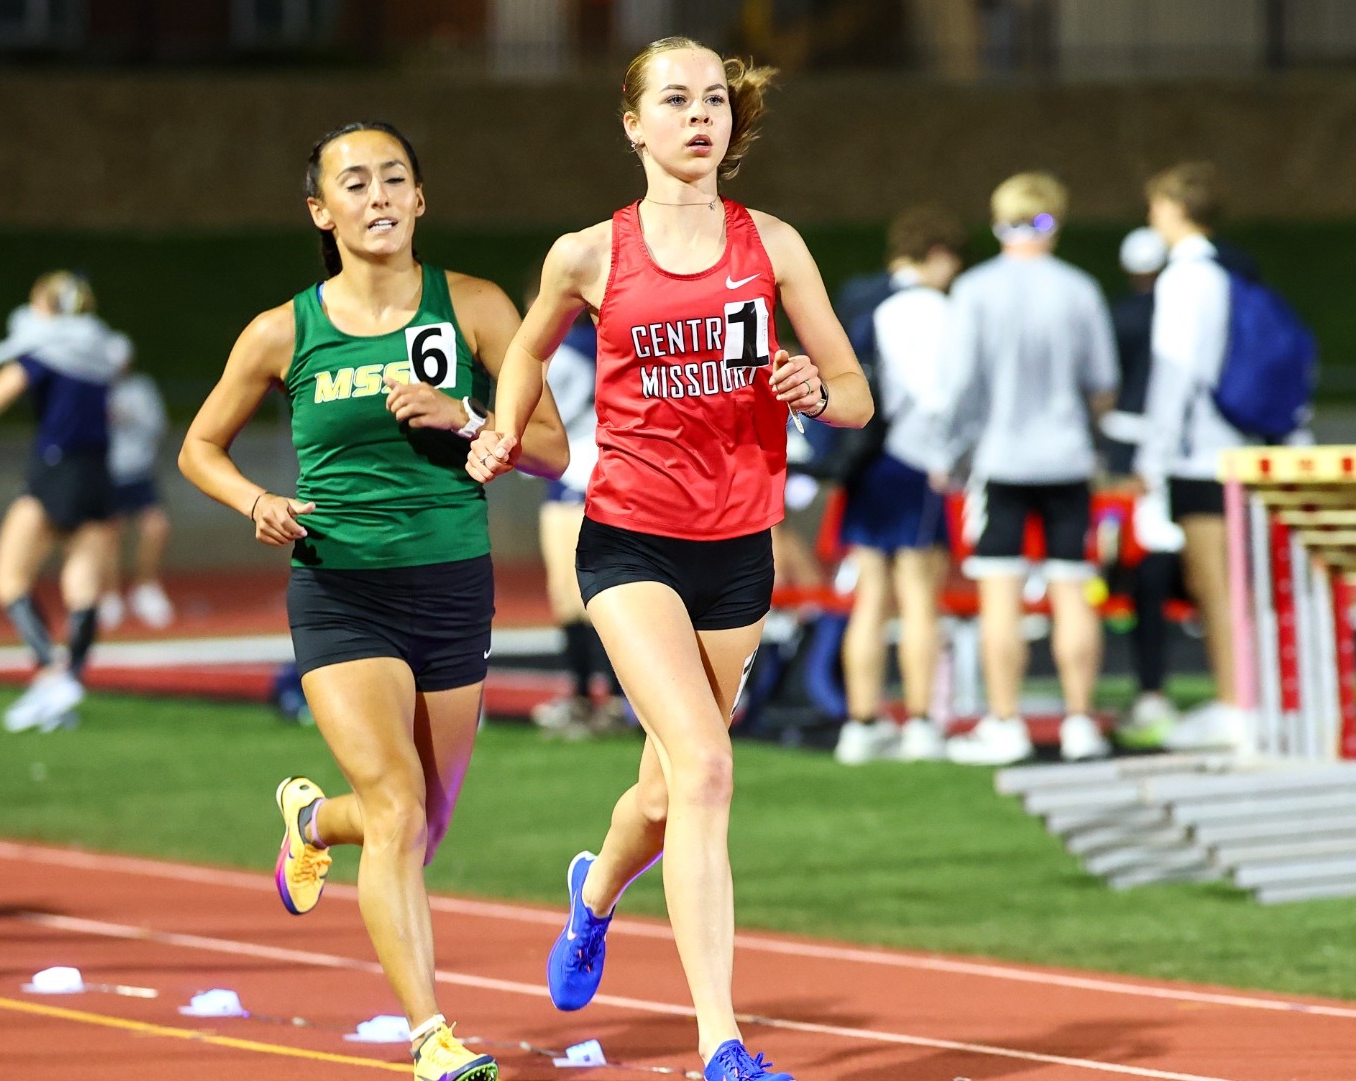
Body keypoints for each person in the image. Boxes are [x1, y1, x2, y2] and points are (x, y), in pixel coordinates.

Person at [466, 37, 871, 1081]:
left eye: (715, 102)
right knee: (706, 766)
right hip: (630, 538)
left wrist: (810, 389)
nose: (701, 116)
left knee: (660, 791)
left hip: (736, 551)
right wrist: (508, 427)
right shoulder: (588, 254)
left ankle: (592, 896)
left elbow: (855, 389)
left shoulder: (773, 246)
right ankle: (721, 1046)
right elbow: (526, 345)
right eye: (676, 100)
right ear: (633, 123)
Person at [177, 121, 568, 1081]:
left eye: (396, 177)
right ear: (322, 210)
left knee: (419, 825)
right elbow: (199, 447)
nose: (379, 194)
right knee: (396, 806)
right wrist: (257, 502)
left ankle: (312, 822)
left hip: (450, 586)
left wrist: (470, 417)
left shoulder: (474, 307)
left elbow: (554, 446)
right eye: (356, 182)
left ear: (422, 198)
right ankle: (433, 1037)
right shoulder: (283, 330)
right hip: (339, 586)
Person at [939, 171, 1120, 767]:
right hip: (1067, 458)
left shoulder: (974, 289)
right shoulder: (1079, 289)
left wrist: (950, 454)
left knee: (1001, 596)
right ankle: (1078, 721)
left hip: (1002, 459)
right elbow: (1102, 386)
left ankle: (1007, 720)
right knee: (1073, 592)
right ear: (1055, 221)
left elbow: (962, 385)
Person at [0, 271, 128, 733]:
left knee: (9, 576)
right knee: (82, 588)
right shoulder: (102, 350)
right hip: (97, 473)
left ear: (49, 308)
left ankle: (51, 673)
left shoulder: (47, 350)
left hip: (53, 470)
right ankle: (66, 685)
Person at [833, 204, 965, 764]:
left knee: (869, 598)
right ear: (937, 256)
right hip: (914, 460)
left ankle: (860, 724)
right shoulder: (931, 310)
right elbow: (937, 394)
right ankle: (919, 722)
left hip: (866, 459)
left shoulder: (865, 300)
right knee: (917, 598)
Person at [1134, 162, 1255, 753]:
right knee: (1228, 580)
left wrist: (1153, 453)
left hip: (1199, 451)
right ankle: (1241, 697)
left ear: (1177, 209)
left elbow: (1175, 372)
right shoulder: (1226, 270)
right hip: (1230, 442)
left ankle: (1236, 703)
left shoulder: (1186, 276)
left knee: (1216, 583)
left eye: (1156, 207)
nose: (1151, 217)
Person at [1098, 226, 1184, 747]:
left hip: (1129, 458)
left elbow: (1106, 390)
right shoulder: (1178, 315)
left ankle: (1149, 687)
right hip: (1180, 457)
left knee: (1138, 573)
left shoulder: (1119, 315)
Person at [530, 312, 631, 738]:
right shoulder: (616, 336)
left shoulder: (566, 349)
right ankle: (610, 700)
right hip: (611, 475)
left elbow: (552, 414)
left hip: (575, 480)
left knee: (576, 599)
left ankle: (591, 699)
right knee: (601, 595)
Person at [99, 364, 175, 631]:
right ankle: (109, 596)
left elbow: (158, 425)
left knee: (156, 526)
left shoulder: (141, 387)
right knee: (109, 532)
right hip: (106, 473)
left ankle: (145, 587)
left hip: (139, 471)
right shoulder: (94, 385)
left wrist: (130, 415)